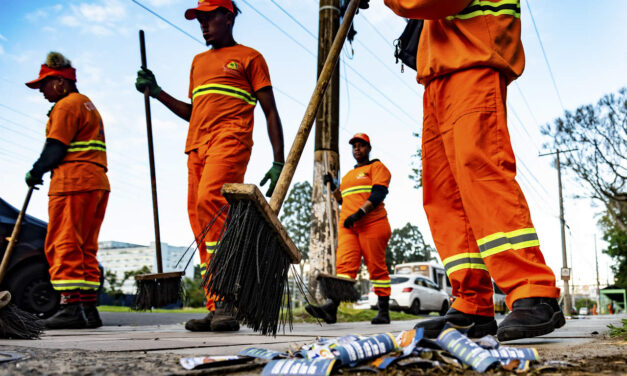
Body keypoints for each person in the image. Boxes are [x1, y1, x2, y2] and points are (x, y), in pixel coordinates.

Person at [384, 0, 565, 341]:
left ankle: (534, 290)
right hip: (439, 75)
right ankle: (472, 303)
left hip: (472, 62)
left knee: (481, 174)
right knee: (444, 195)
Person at [135, 0, 285, 332]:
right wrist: (157, 93)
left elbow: (270, 110)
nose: (202, 24)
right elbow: (194, 112)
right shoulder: (198, 62)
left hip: (230, 139)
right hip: (196, 147)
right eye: (198, 19)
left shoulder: (250, 58)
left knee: (211, 203)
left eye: (208, 17)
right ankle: (217, 303)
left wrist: (279, 160)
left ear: (228, 17)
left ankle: (230, 299)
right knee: (201, 224)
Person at [25, 52, 110, 329]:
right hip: (95, 181)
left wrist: (36, 171)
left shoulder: (65, 105)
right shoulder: (87, 105)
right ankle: (88, 309)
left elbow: (55, 147)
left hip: (73, 182)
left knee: (64, 243)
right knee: (85, 247)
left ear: (60, 81)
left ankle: (70, 307)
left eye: (44, 85)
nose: (42, 92)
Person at [306, 133, 393, 325]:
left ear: (368, 148)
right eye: (354, 146)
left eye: (361, 145)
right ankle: (331, 309)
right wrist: (333, 185)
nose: (357, 149)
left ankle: (383, 311)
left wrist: (359, 214)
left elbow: (379, 194)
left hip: (373, 224)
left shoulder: (377, 167)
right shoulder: (347, 177)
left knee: (376, 267)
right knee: (344, 268)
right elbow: (342, 200)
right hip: (349, 227)